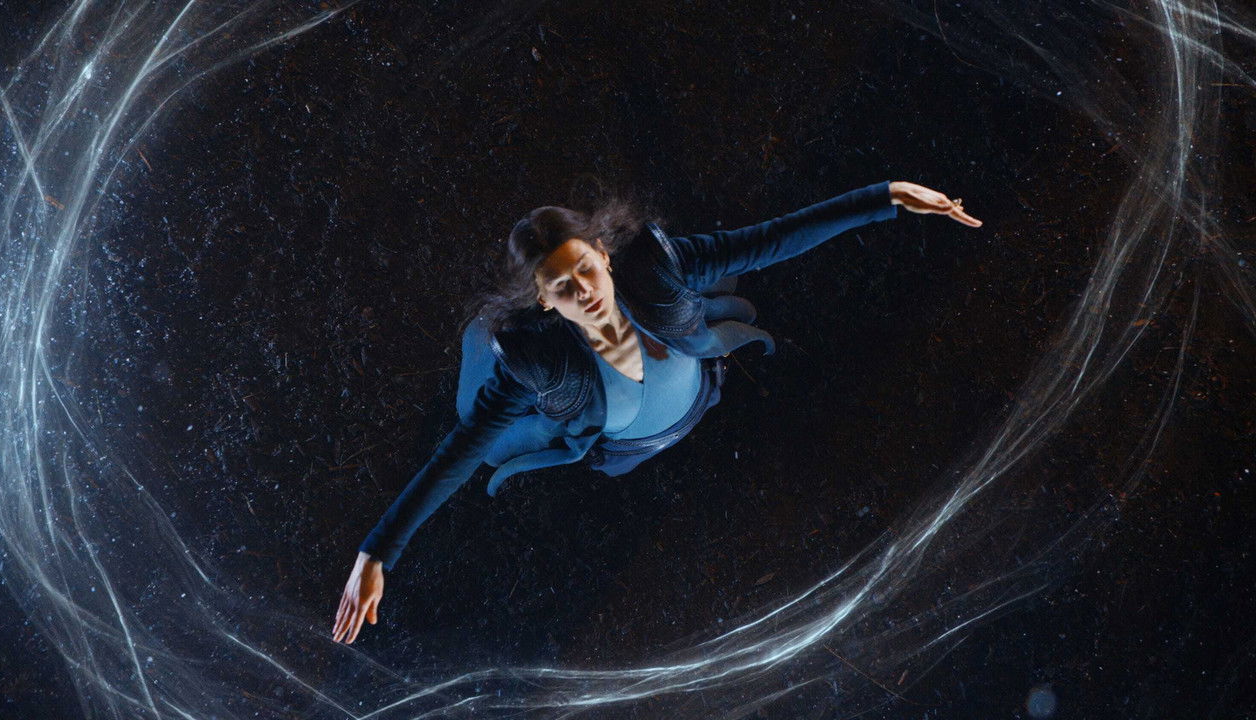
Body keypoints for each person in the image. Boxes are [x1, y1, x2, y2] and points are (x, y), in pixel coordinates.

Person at [332, 180, 982, 643]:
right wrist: (376, 553)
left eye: (585, 269)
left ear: (603, 254)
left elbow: (773, 239)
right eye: (562, 288)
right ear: (545, 302)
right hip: (630, 448)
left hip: (701, 390)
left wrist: (885, 198)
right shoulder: (535, 361)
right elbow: (460, 451)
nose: (584, 291)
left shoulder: (660, 265)